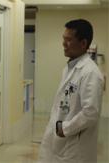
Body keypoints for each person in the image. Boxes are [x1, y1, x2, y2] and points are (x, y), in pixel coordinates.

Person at [37, 19, 104, 163]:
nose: (63, 43)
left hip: (75, 150)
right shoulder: (69, 69)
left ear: (83, 43)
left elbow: (90, 113)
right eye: (63, 39)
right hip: (60, 145)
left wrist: (65, 128)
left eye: (68, 40)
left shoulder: (90, 73)